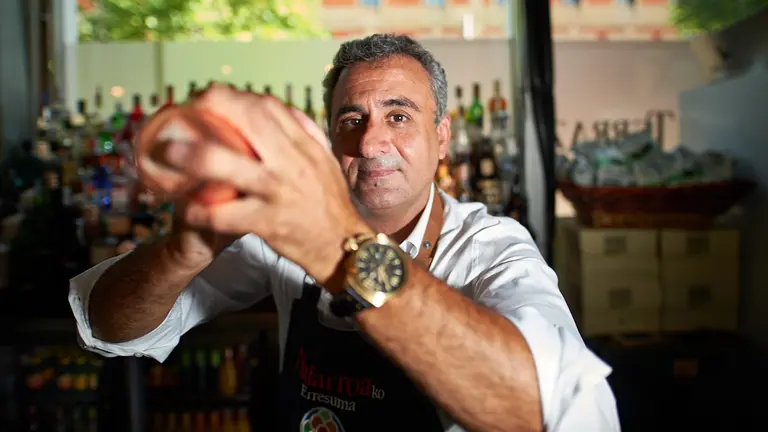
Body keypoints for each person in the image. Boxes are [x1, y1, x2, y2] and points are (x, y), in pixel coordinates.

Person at [69, 34, 619, 431]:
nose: (371, 142)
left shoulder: (490, 249)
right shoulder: (276, 238)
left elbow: (559, 415)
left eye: (398, 116)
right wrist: (181, 251)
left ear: (442, 136)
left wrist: (333, 244)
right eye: (350, 120)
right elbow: (110, 327)